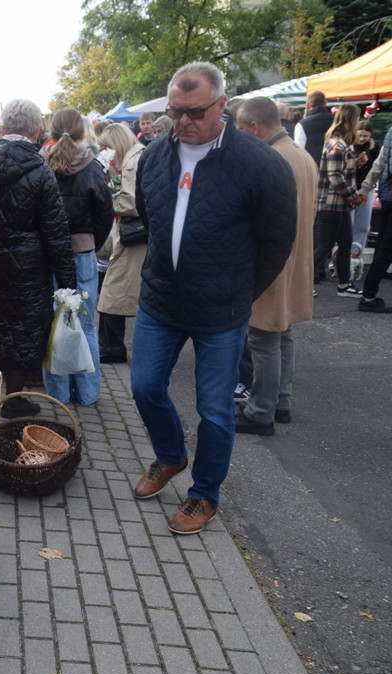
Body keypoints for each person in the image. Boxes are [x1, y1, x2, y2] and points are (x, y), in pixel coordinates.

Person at [130, 62, 296, 534]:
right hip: (161, 300)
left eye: (195, 112)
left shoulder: (261, 164)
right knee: (143, 386)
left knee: (216, 410)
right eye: (175, 111)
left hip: (220, 310)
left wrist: (240, 291)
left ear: (223, 105)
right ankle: (170, 457)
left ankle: (204, 494)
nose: (183, 122)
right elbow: (151, 215)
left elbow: (277, 240)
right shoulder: (155, 157)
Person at [0, 99, 76, 418]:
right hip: (26, 267)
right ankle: (12, 399)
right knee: (24, 329)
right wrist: (68, 282)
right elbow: (56, 231)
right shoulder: (40, 170)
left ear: (6, 127)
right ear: (37, 130)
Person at [233, 97, 317, 435]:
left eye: (241, 129)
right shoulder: (302, 155)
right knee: (282, 336)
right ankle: (280, 401)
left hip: (274, 263)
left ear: (254, 127)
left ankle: (261, 411)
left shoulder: (272, 159)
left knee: (264, 339)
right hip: (296, 260)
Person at [41, 108, 115, 406]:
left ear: (52, 132)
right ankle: (87, 392)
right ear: (83, 131)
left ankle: (58, 394)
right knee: (84, 325)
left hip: (48, 254)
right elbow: (105, 214)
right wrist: (90, 241)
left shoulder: (42, 165)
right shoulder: (93, 167)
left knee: (54, 324)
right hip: (82, 254)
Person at [96, 124, 146, 364]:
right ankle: (109, 345)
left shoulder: (132, 161)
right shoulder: (135, 156)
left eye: (107, 146)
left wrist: (106, 202)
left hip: (133, 232)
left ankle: (111, 347)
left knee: (113, 290)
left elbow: (133, 201)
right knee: (114, 289)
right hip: (132, 232)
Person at [313, 104, 364, 298]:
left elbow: (339, 172)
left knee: (345, 243)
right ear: (351, 119)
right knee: (324, 246)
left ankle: (344, 284)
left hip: (339, 204)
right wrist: (353, 195)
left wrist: (357, 163)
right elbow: (335, 176)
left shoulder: (340, 143)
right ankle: (300, 282)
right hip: (331, 204)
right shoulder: (337, 144)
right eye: (357, 119)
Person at [354, 128, 392, 312]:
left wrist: (364, 189)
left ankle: (369, 294)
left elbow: (378, 165)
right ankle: (368, 296)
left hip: (387, 197)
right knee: (386, 249)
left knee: (382, 247)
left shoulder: (390, 132)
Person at [352, 120, 380, 251]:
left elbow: (376, 168)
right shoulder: (350, 146)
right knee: (349, 223)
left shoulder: (376, 148)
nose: (362, 139)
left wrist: (373, 149)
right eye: (360, 135)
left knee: (363, 225)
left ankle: (358, 252)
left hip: (367, 189)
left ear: (371, 136)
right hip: (351, 188)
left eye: (365, 136)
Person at [294, 91, 335, 164]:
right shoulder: (336, 121)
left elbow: (299, 151)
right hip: (334, 164)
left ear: (308, 105)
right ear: (325, 104)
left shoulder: (301, 125)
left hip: (313, 167)